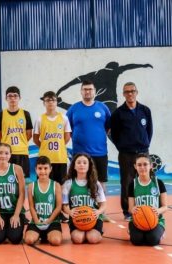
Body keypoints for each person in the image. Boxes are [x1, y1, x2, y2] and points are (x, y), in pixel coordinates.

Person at [66, 80, 111, 221]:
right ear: (81, 91)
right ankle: (75, 212)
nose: (87, 92)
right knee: (76, 182)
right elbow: (68, 128)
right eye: (85, 89)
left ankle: (101, 212)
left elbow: (108, 128)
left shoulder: (103, 108)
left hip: (100, 152)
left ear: (95, 91)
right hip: (80, 154)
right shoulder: (73, 109)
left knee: (101, 183)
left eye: (90, 89)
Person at [110, 82, 153, 221]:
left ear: (136, 92)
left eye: (132, 91)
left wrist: (144, 144)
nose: (130, 93)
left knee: (145, 179)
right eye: (127, 91)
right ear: (123, 94)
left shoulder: (145, 110)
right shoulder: (118, 113)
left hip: (143, 152)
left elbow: (149, 131)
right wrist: (122, 146)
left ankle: (148, 207)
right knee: (127, 182)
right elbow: (114, 134)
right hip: (126, 153)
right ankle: (127, 211)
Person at [62, 153, 107, 244]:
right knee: (78, 239)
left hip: (93, 217)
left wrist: (98, 212)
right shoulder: (68, 184)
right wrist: (70, 212)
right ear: (74, 166)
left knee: (92, 239)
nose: (81, 164)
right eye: (78, 162)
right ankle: (84, 233)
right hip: (77, 218)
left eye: (84, 163)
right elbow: (64, 205)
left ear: (89, 166)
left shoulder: (96, 184)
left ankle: (97, 232)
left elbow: (103, 204)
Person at [0, 143, 25, 244]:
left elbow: (22, 194)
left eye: (6, 153)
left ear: (10, 155)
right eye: (0, 153)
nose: (3, 155)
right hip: (0, 212)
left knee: (15, 239)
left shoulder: (17, 169)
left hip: (15, 211)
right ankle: (5, 228)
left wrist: (16, 215)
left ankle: (11, 228)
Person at [128, 154, 167, 246]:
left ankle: (161, 232)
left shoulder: (158, 183)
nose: (142, 167)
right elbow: (130, 208)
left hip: (156, 220)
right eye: (139, 165)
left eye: (145, 164)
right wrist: (133, 210)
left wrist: (158, 210)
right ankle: (132, 230)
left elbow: (165, 207)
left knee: (152, 240)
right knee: (136, 240)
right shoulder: (132, 184)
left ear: (151, 166)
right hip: (138, 220)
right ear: (135, 166)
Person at [33, 91, 71, 184]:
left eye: (53, 100)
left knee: (60, 186)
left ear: (56, 102)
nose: (50, 102)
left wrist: (60, 145)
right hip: (45, 159)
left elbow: (67, 137)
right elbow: (35, 139)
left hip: (60, 158)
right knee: (44, 185)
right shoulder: (39, 119)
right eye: (48, 100)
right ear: (44, 103)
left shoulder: (64, 118)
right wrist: (44, 146)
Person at [0, 86, 33, 178]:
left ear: (19, 98)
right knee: (7, 180)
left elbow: (29, 134)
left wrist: (21, 143)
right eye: (10, 96)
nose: (13, 98)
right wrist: (6, 145)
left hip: (22, 152)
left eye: (15, 96)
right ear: (6, 98)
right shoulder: (1, 115)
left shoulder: (25, 114)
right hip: (7, 154)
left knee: (22, 181)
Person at [24, 156, 62, 246]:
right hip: (37, 221)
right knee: (29, 240)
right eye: (40, 168)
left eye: (45, 168)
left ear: (50, 169)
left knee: (56, 241)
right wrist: (36, 221)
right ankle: (39, 234)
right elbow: (31, 207)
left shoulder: (56, 185)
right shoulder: (31, 186)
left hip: (52, 221)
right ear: (36, 169)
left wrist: (48, 221)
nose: (43, 171)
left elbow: (58, 207)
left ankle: (47, 235)